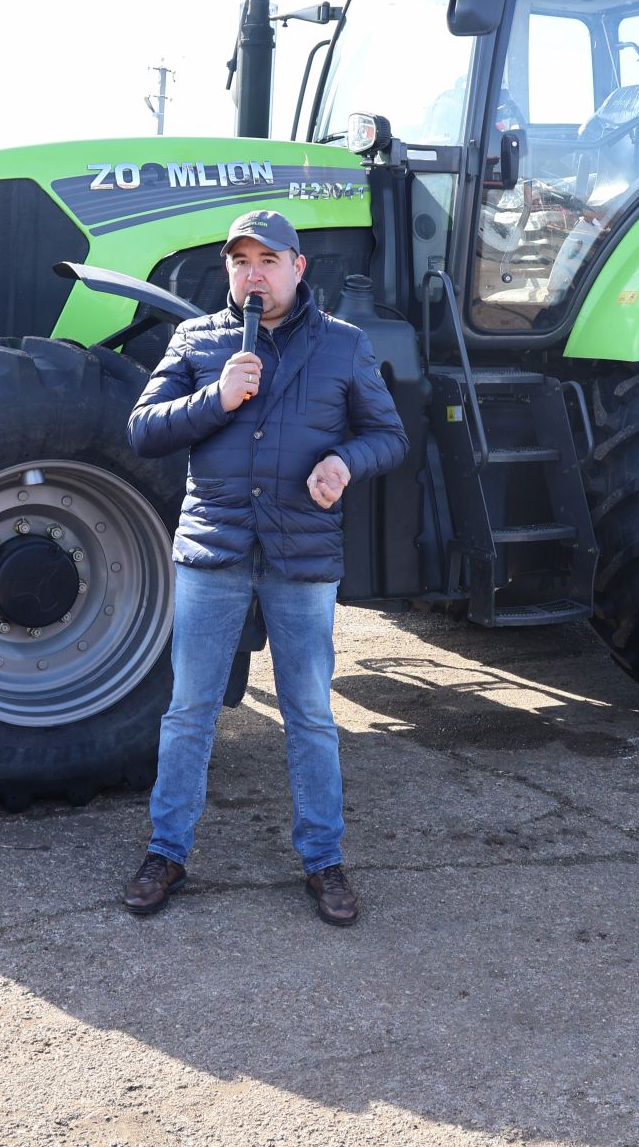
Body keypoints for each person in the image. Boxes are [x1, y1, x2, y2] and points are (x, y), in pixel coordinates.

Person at [122, 210, 408, 926]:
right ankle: (167, 850)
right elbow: (143, 429)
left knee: (309, 713)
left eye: (269, 259)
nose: (254, 273)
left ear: (298, 267)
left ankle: (324, 859)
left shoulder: (344, 346)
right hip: (213, 551)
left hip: (302, 555)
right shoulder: (197, 340)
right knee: (189, 711)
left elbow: (389, 435)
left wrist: (344, 461)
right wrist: (216, 397)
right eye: (241, 261)